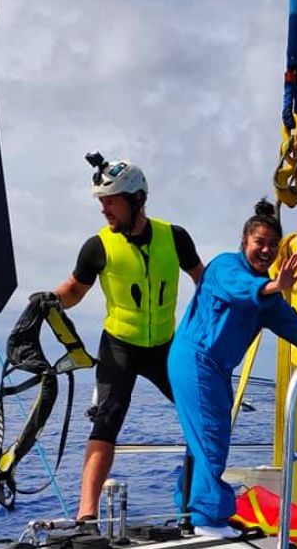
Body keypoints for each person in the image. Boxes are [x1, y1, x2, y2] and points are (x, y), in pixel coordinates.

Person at [168, 198, 297, 538]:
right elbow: (241, 290)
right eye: (259, 243)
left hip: (217, 368)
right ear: (244, 241)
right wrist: (273, 286)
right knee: (211, 433)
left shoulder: (268, 298)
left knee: (202, 438)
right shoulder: (224, 267)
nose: (265, 250)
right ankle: (208, 519)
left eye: (272, 245)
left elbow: (293, 325)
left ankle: (189, 509)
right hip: (195, 359)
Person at [55, 155, 204, 521]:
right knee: (107, 419)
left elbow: (204, 281)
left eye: (111, 200)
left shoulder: (176, 237)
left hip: (166, 348)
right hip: (119, 346)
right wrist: (46, 302)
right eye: (101, 201)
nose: (104, 208)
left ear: (137, 199)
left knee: (202, 413)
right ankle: (86, 515)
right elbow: (75, 290)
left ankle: (201, 500)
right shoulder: (98, 246)